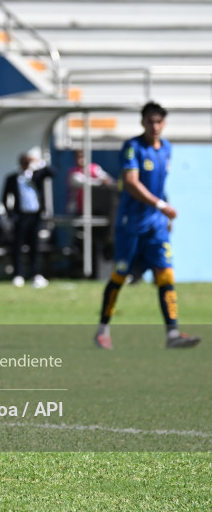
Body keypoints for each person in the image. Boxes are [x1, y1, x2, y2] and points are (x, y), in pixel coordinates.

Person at [94, 102, 200, 350]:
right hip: (131, 224)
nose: (155, 126)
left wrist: (165, 213)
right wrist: (161, 205)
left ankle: (172, 333)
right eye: (150, 121)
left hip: (156, 226)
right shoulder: (133, 148)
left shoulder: (166, 149)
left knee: (166, 275)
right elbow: (131, 183)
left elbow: (159, 187)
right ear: (142, 122)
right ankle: (102, 330)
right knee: (119, 276)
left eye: (159, 121)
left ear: (164, 123)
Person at [2, 152, 54, 289]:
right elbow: (5, 197)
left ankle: (36, 274)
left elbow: (52, 172)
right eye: (24, 162)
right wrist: (11, 214)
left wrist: (39, 162)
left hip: (35, 216)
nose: (26, 165)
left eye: (28, 162)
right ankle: (18, 274)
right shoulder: (13, 178)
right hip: (21, 216)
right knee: (18, 246)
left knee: (35, 246)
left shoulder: (36, 175)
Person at [65, 149, 113, 216]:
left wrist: (106, 180)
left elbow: (108, 179)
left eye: (83, 156)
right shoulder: (73, 173)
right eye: (79, 156)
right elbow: (84, 183)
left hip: (96, 210)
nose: (81, 159)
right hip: (78, 212)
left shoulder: (95, 168)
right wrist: (100, 182)